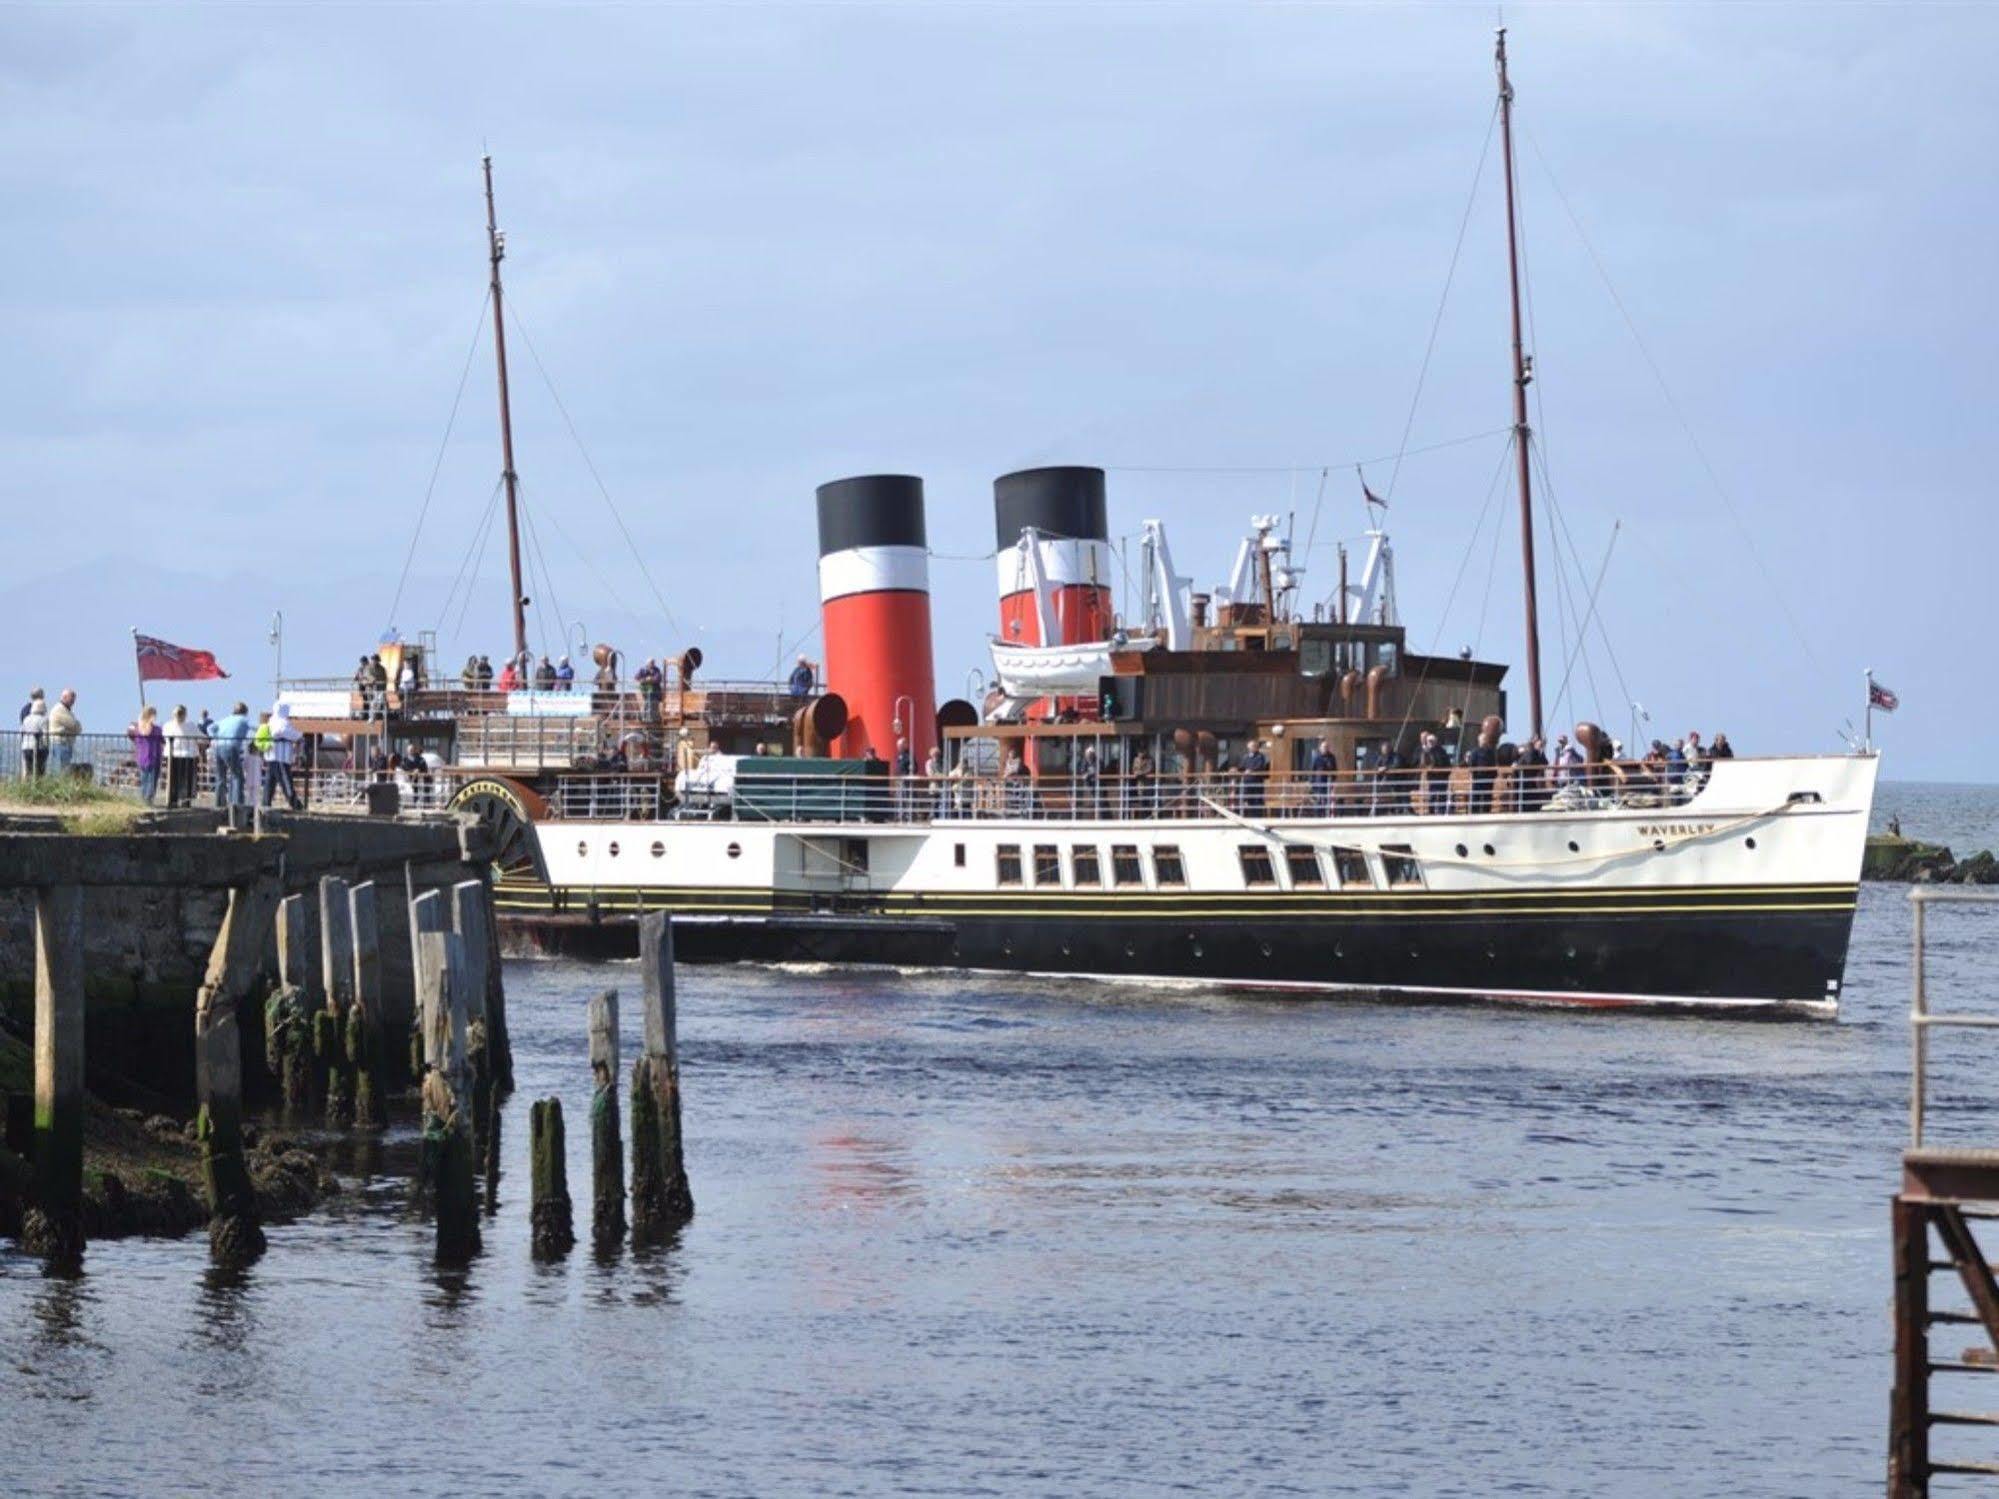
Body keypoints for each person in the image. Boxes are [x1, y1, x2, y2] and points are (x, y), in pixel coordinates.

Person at [263, 702, 303, 810]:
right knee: (286, 782)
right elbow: (292, 734)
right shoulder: (282, 722)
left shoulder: (271, 721)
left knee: (270, 782)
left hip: (271, 756)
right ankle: (295, 804)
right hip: (281, 757)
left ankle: (266, 803)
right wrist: (300, 735)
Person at [212, 701, 252, 806]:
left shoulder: (225, 719)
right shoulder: (244, 719)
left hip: (218, 746)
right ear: (245, 712)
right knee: (237, 776)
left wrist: (215, 736)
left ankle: (219, 803)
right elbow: (256, 727)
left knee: (221, 777)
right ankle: (237, 804)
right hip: (231, 747)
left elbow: (210, 728)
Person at [162, 705, 201, 806]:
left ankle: (173, 800)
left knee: (173, 779)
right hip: (187, 755)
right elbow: (201, 737)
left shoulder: (167, 725)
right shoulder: (190, 725)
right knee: (186, 780)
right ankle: (184, 800)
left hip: (173, 755)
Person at [129, 706, 164, 804]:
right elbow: (162, 738)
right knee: (152, 781)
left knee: (144, 780)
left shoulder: (137, 729)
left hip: (141, 757)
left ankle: (144, 800)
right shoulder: (156, 729)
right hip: (154, 756)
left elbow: (131, 735)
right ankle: (149, 800)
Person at [48, 689, 81, 773]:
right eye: (71, 699)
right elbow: (73, 724)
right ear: (64, 697)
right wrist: (75, 726)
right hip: (61, 743)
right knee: (63, 770)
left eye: (74, 699)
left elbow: (78, 728)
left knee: (63, 768)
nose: (73, 702)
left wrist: (76, 727)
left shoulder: (66, 710)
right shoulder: (60, 710)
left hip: (64, 744)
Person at [1417, 730, 1450, 814]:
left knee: (1442, 796)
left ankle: (1442, 812)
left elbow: (1445, 763)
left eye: (1432, 741)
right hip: (1432, 777)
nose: (1430, 743)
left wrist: (1439, 769)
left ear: (1436, 741)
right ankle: (1431, 812)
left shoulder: (1441, 751)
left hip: (1442, 777)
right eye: (1429, 741)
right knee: (1432, 796)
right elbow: (1422, 763)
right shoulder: (1425, 751)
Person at [19, 691, 48, 779]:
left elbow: (21, 731)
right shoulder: (43, 720)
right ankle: (38, 786)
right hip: (39, 748)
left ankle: (27, 787)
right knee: (40, 770)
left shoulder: (26, 718)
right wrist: (46, 746)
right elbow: (45, 734)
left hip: (26, 746)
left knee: (28, 770)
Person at [1240, 738, 1270, 819]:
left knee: (1257, 800)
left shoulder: (1260, 756)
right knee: (1247, 799)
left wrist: (1251, 770)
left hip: (1256, 781)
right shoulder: (1246, 757)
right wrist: (1241, 770)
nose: (1250, 749)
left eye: (1252, 747)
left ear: (1256, 747)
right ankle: (1248, 816)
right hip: (1247, 782)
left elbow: (1260, 766)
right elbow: (1242, 766)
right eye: (1249, 747)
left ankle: (1257, 816)